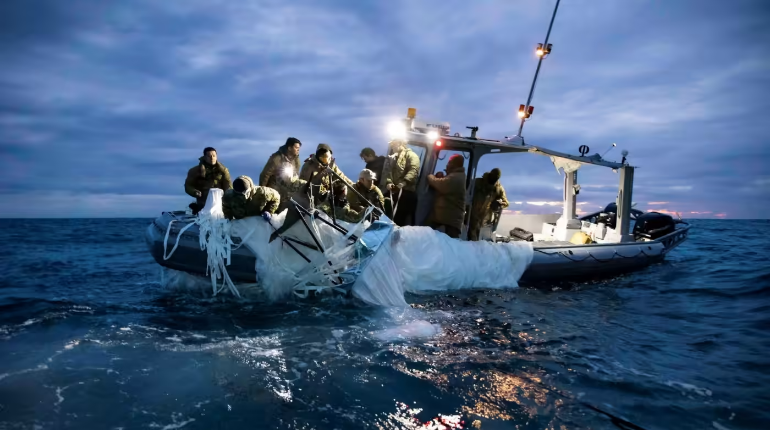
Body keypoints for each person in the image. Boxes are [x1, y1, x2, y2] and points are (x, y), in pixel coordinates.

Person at [426, 154, 466, 238]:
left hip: (451, 221)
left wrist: (431, 177)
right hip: (447, 218)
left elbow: (440, 185)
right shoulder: (456, 176)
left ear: (453, 164)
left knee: (449, 246)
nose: (447, 164)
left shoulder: (456, 177)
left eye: (449, 163)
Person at [382, 139, 420, 226]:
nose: (392, 147)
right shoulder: (393, 158)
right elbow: (388, 172)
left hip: (406, 193)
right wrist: (389, 182)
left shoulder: (412, 156)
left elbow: (413, 170)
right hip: (394, 192)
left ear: (400, 144)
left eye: (393, 144)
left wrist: (404, 183)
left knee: (400, 219)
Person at [184, 147, 232, 214]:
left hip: (220, 202)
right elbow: (188, 186)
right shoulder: (195, 171)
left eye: (214, 156)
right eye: (209, 156)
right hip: (203, 202)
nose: (212, 158)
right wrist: (194, 192)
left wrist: (229, 195)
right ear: (204, 157)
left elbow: (228, 185)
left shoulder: (223, 171)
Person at [469, 168, 510, 241]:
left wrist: (499, 203)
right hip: (471, 212)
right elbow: (467, 191)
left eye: (496, 177)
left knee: (479, 235)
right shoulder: (478, 182)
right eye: (493, 176)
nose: (494, 178)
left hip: (485, 216)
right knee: (471, 232)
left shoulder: (498, 188)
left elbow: (506, 203)